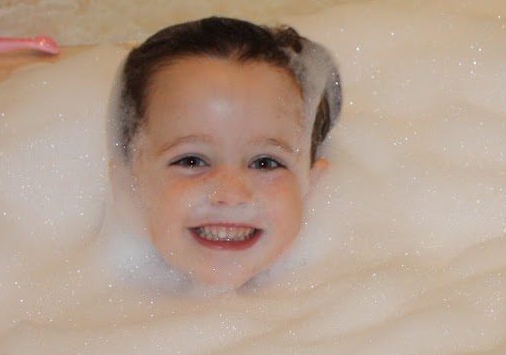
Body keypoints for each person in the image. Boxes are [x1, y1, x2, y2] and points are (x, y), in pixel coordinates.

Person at [108, 16, 341, 290]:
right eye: (192, 161)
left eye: (265, 163)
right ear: (127, 183)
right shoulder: (92, 296)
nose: (231, 195)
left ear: (311, 185)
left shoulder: (342, 290)